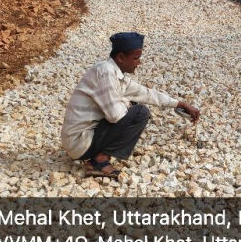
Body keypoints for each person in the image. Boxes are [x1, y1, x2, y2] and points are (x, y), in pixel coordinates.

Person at [61, 32, 200, 178]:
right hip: (79, 143)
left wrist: (179, 104)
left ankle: (99, 156)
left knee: (133, 103)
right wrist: (127, 102)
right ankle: (99, 161)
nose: (139, 63)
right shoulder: (105, 72)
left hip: (81, 141)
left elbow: (146, 93)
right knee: (140, 112)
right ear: (121, 57)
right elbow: (115, 116)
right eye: (135, 58)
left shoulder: (116, 75)